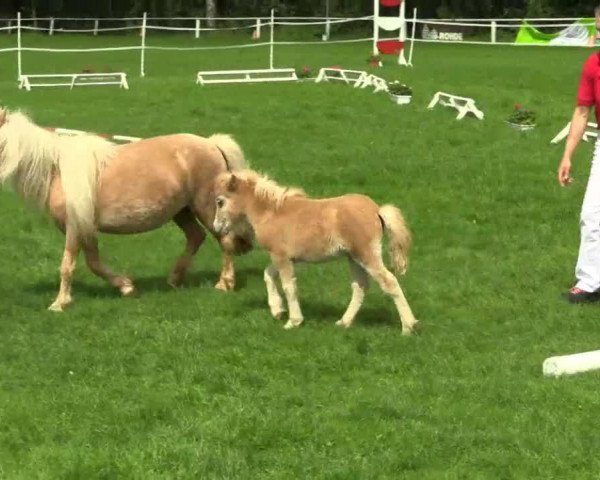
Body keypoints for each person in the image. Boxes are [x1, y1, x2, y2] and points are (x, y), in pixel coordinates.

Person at [558, 17, 600, 303]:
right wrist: (567, 155)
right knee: (591, 214)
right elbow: (582, 112)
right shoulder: (592, 65)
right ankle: (589, 283)